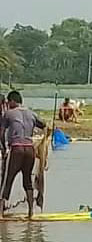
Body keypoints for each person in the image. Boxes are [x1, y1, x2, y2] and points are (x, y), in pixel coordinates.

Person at [0, 90, 46, 218]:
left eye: (9, 102)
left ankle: (0, 213)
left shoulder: (9, 114)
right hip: (30, 150)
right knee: (27, 181)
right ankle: (31, 212)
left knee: (7, 180)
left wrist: (4, 148)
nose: (8, 105)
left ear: (13, 101)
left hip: (16, 149)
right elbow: (43, 125)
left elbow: (2, 132)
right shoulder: (31, 113)